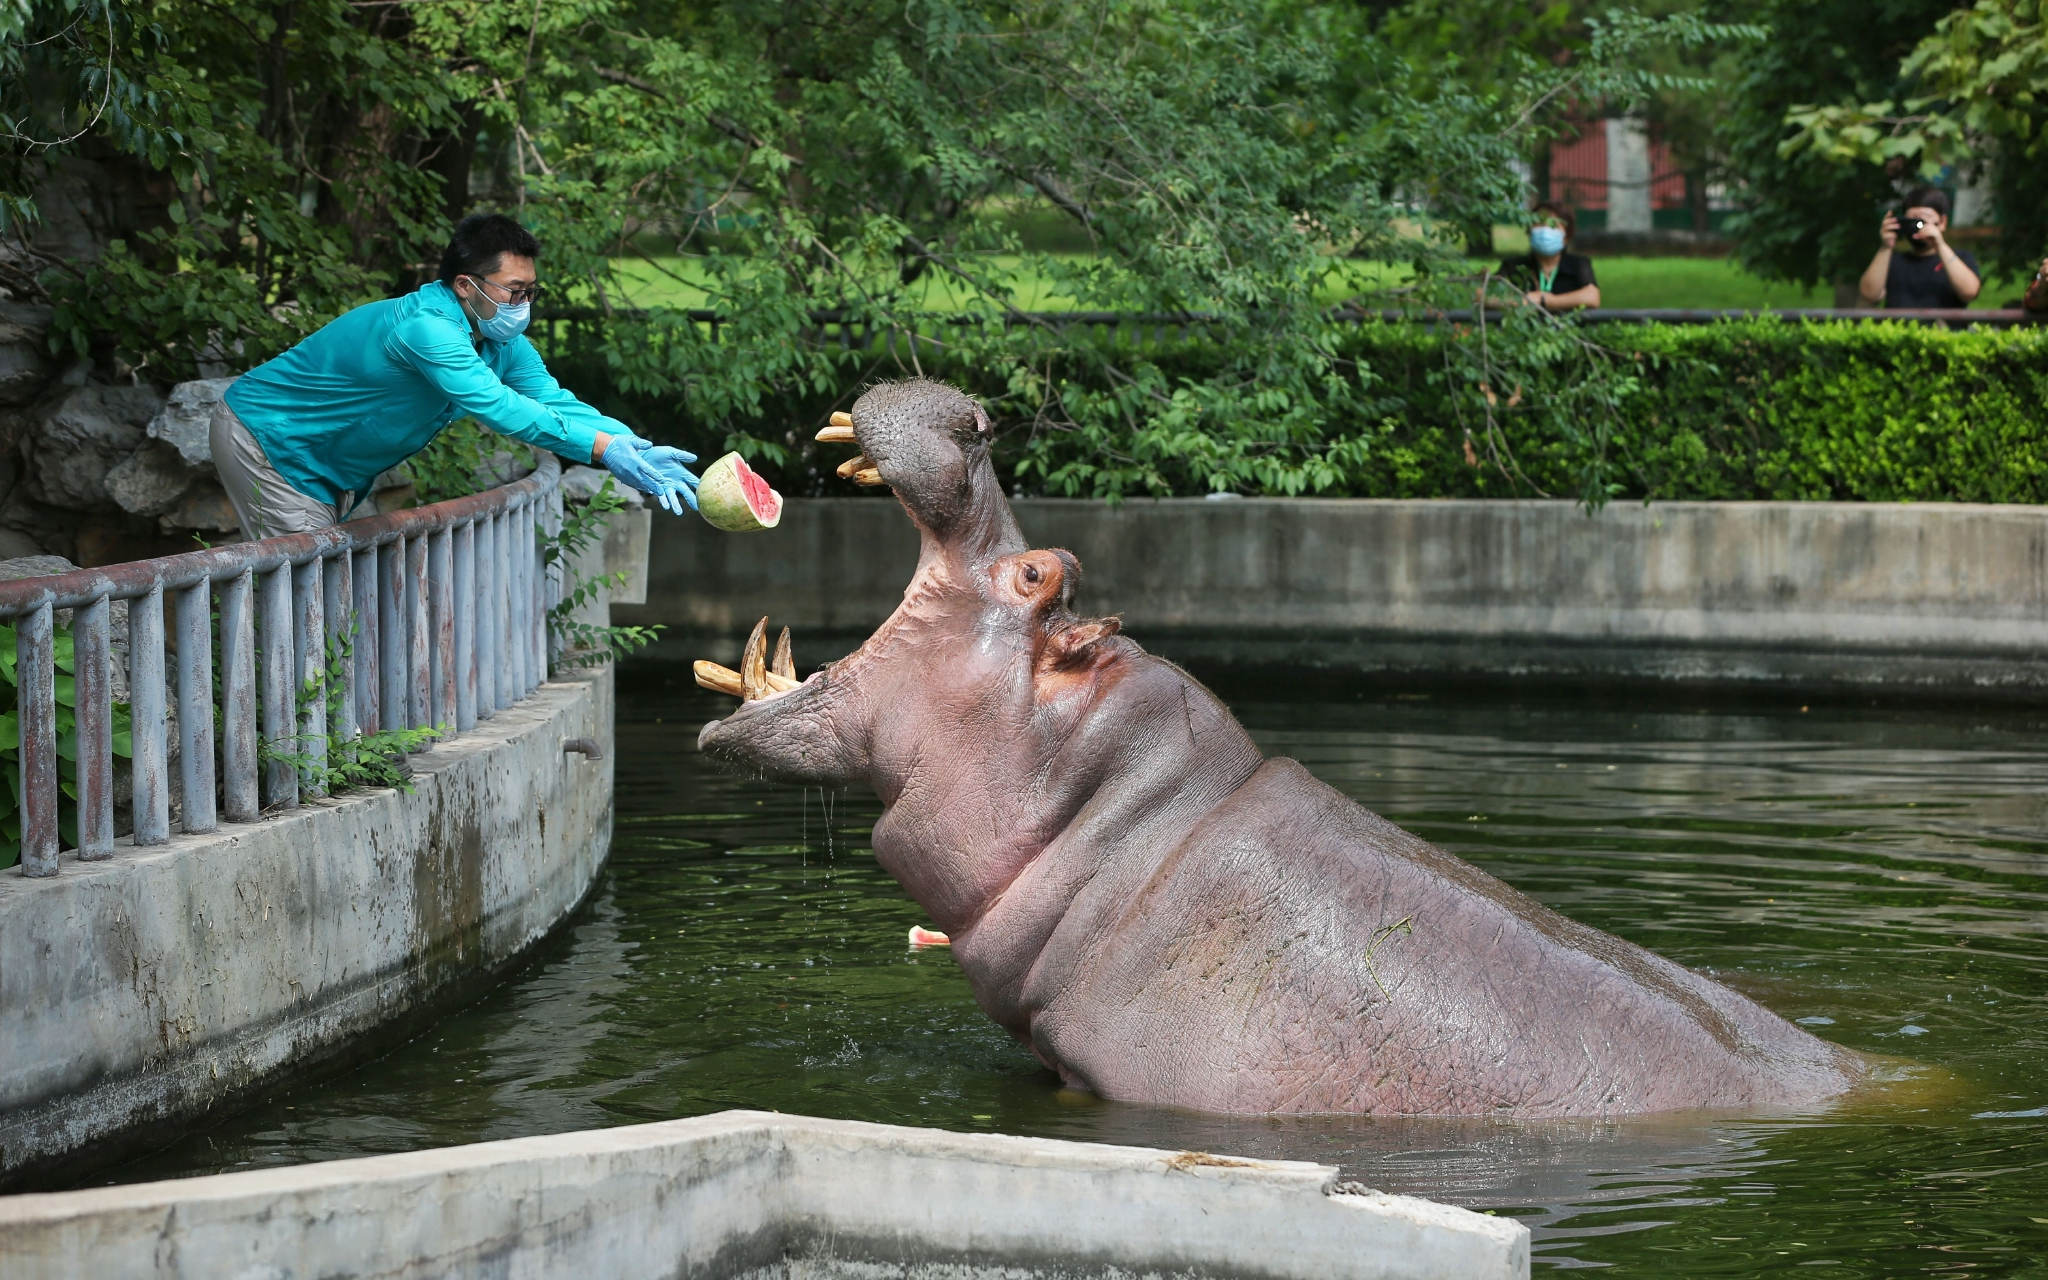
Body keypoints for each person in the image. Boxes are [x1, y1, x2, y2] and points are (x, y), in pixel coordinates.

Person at [213, 213, 700, 540]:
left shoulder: (500, 342)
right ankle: (267, 696)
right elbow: (502, 407)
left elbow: (553, 401)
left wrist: (630, 443)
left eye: (532, 291)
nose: (524, 304)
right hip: (270, 440)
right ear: (466, 285)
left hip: (327, 462)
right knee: (308, 602)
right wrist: (602, 450)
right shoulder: (427, 329)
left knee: (320, 601)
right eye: (514, 290)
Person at [1858, 187, 1981, 309]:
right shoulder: (1893, 261)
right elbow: (1869, 295)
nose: (1917, 227)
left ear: (1942, 222)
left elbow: (1969, 292)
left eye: (1922, 222)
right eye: (1911, 221)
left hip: (1944, 328)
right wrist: (1886, 247)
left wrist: (1940, 245)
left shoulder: (1960, 258)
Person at [1495, 203, 1600, 312]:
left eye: (1553, 225)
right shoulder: (1514, 265)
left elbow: (1592, 297)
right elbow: (1483, 295)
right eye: (1539, 223)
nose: (1545, 230)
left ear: (1566, 236)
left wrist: (1543, 300)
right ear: (1529, 231)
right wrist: (1521, 300)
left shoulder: (1578, 264)